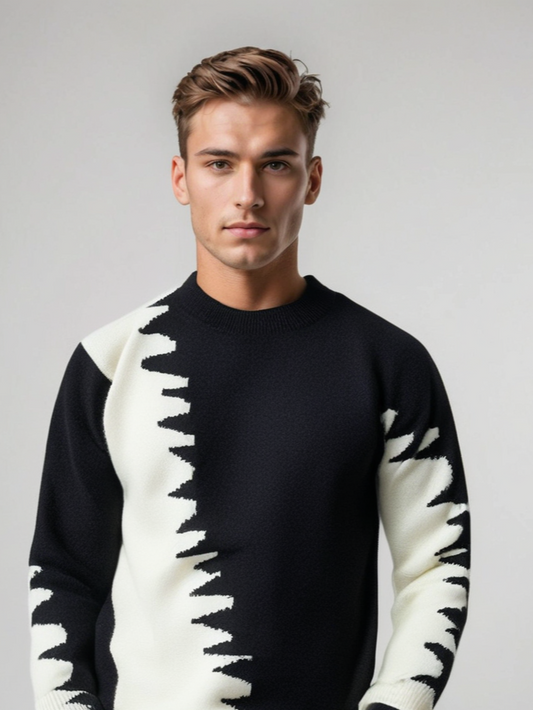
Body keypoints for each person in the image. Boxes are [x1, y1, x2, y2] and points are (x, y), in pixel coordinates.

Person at [28, 46, 470, 710]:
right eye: (219, 163)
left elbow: (436, 566)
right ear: (180, 177)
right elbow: (64, 574)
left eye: (276, 164)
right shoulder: (110, 363)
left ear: (312, 179)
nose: (247, 194)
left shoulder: (386, 363)